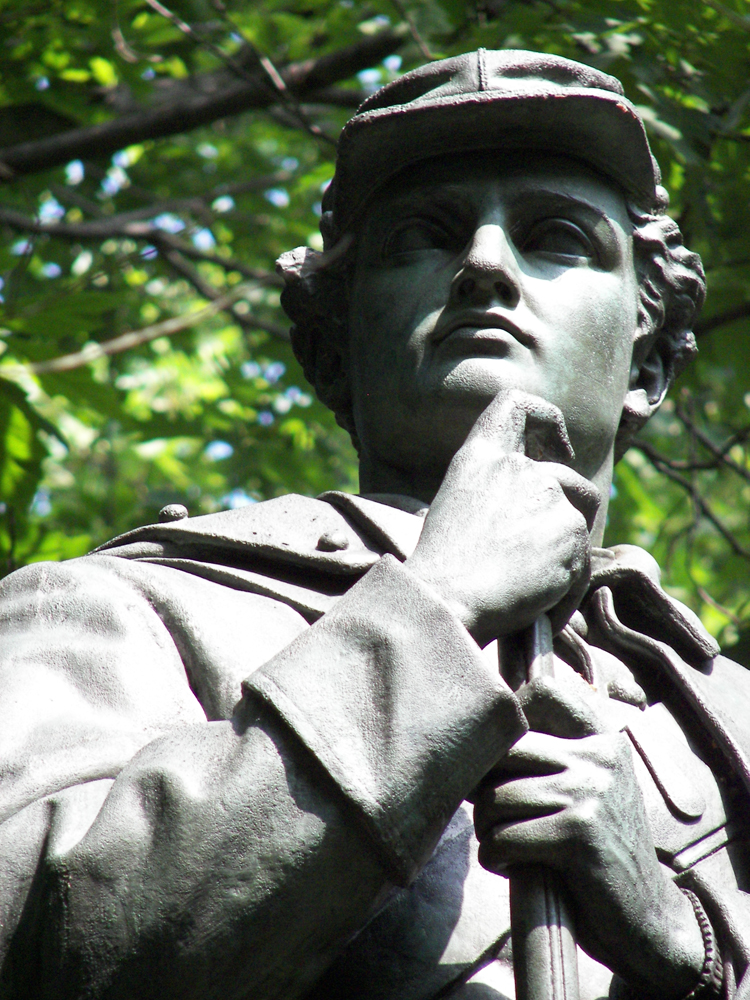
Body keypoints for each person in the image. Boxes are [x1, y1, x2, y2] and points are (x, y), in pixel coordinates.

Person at [0, 48, 748, 1000]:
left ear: (648, 365)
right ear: (330, 347)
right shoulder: (118, 613)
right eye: (421, 240)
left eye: (558, 237)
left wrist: (682, 946)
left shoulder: (731, 722)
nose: (484, 263)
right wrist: (434, 609)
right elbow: (50, 954)